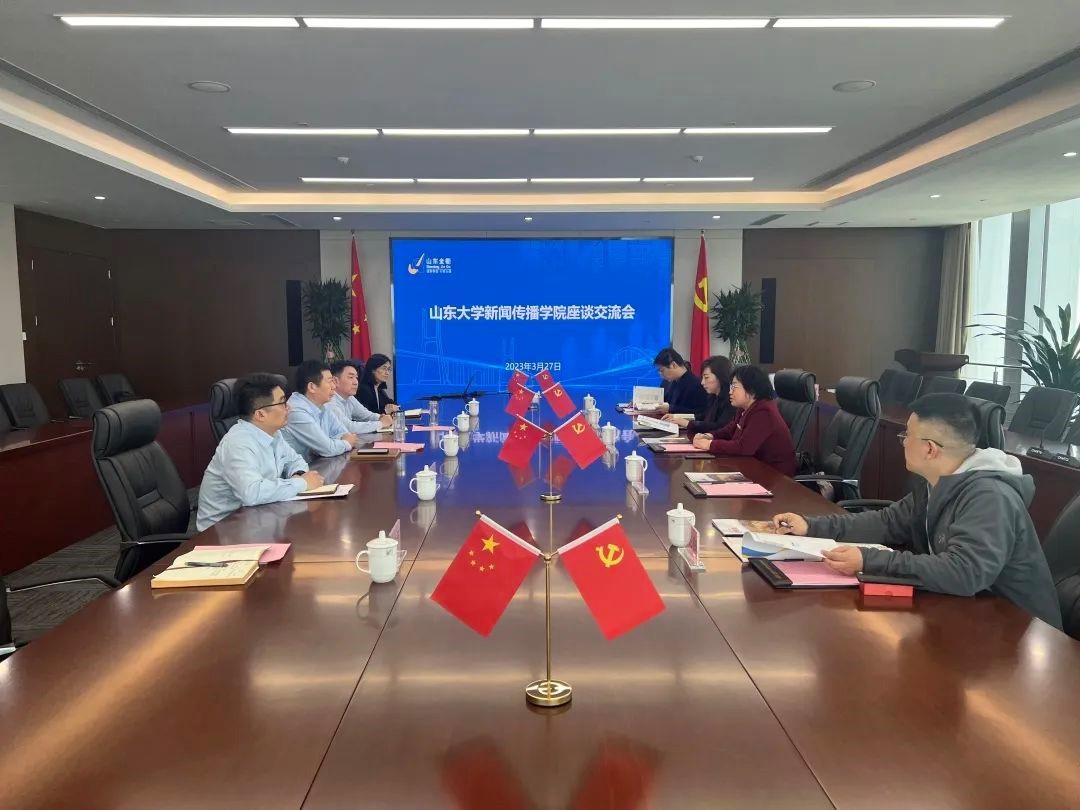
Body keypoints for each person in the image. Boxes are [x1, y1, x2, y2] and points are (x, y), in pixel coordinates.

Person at [772, 393, 1062, 629]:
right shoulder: (940, 482)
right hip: (971, 614)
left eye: (907, 435)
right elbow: (887, 522)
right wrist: (811, 526)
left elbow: (964, 572)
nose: (902, 441)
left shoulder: (990, 496)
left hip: (1019, 633)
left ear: (930, 449)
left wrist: (868, 560)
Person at [196, 374, 324, 531]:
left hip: (257, 517)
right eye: (283, 402)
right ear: (260, 414)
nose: (289, 408)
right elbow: (252, 493)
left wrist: (298, 474)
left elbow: (295, 460)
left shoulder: (273, 433)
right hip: (222, 531)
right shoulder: (238, 443)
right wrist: (302, 483)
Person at [690, 364, 796, 475]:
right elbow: (729, 430)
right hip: (752, 466)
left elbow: (744, 447)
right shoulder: (744, 407)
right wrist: (709, 436)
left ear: (752, 390)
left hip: (774, 475)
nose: (730, 392)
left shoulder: (764, 412)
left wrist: (709, 444)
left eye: (734, 387)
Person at [281, 360, 358, 460]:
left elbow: (343, 433)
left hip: (318, 463)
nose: (334, 386)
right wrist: (345, 443)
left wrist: (332, 443)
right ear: (312, 387)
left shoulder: (323, 405)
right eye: (330, 381)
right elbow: (328, 449)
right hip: (300, 468)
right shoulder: (296, 411)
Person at [663, 355, 736, 434]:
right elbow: (703, 416)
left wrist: (688, 423)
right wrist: (678, 417)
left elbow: (720, 427)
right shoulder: (713, 397)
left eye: (706, 377)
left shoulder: (731, 400)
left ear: (721, 376)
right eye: (702, 378)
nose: (702, 382)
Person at [328, 360, 393, 434]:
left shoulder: (350, 397)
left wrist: (380, 417)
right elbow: (348, 427)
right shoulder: (330, 401)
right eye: (351, 377)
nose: (356, 382)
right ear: (335, 381)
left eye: (356, 377)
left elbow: (365, 415)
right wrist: (380, 423)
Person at [652, 347, 707, 416]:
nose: (661, 375)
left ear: (673, 365)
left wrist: (671, 409)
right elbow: (662, 401)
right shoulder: (667, 382)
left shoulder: (696, 385)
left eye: (662, 370)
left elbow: (699, 413)